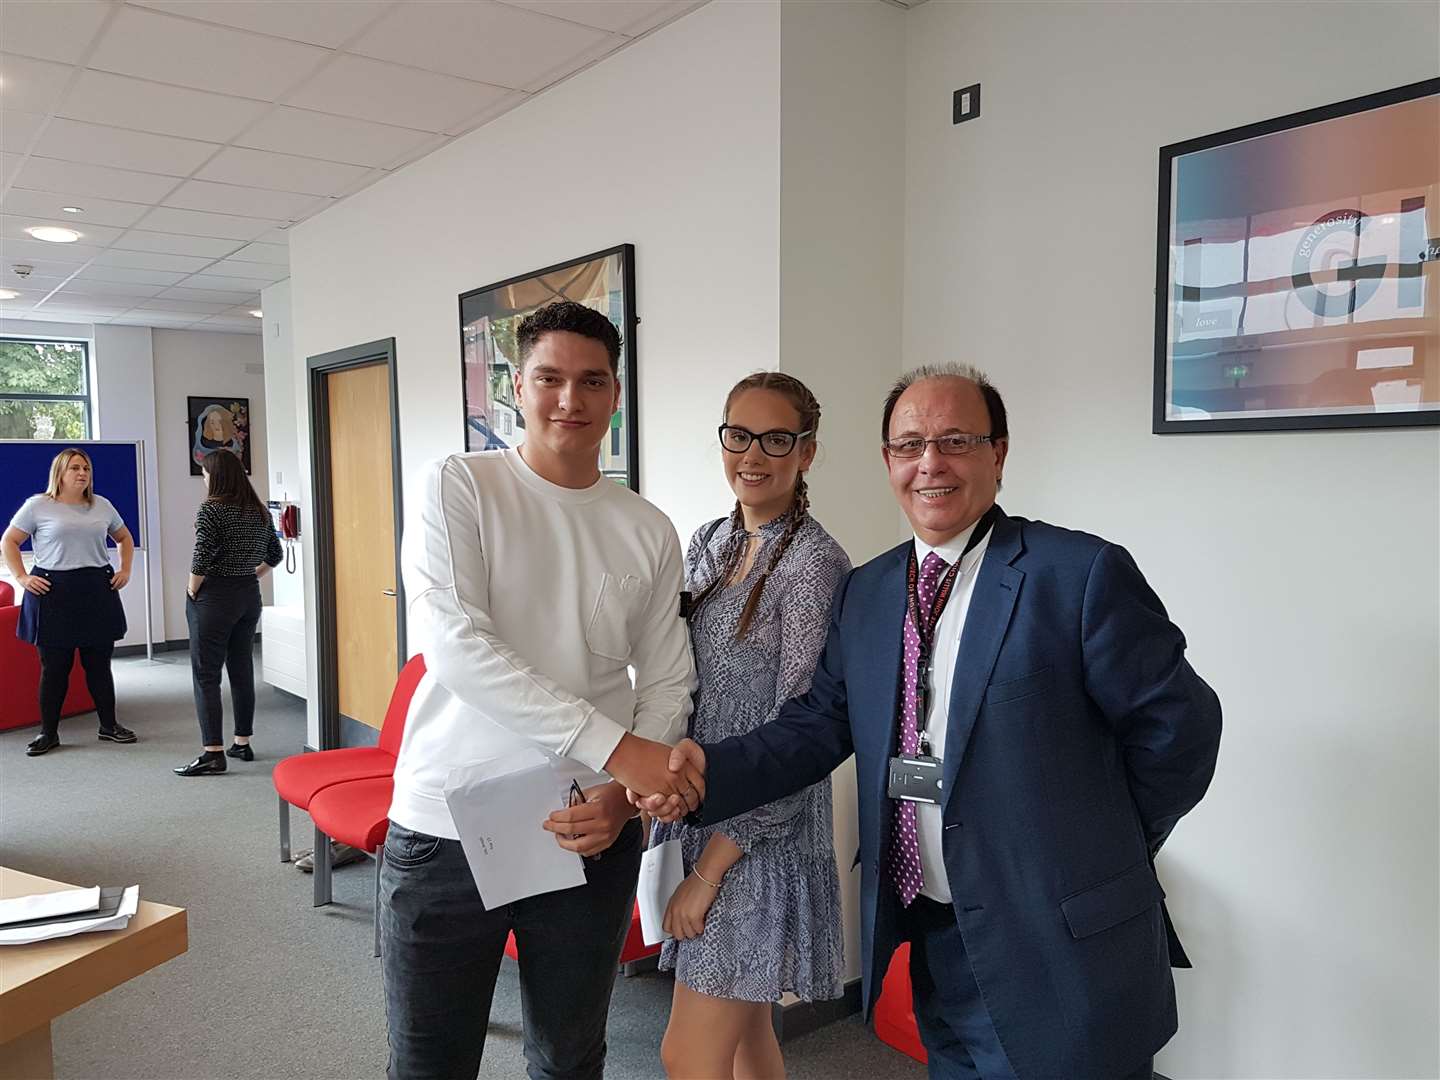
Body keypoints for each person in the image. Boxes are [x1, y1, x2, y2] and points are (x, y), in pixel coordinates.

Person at [643, 364, 1223, 1080]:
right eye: (909, 444)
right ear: (887, 460)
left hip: (1058, 944)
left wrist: (1105, 845)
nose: (930, 463)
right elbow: (818, 724)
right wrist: (709, 774)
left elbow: (1182, 732)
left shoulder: (1076, 575)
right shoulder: (872, 590)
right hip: (936, 932)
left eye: (955, 440)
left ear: (998, 453)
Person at [381, 300, 702, 1080]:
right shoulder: (459, 485)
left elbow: (667, 677)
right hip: (446, 828)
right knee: (431, 1062)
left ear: (615, 395)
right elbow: (458, 649)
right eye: (549, 379)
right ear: (516, 387)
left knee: (569, 1058)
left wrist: (622, 795)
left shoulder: (646, 526)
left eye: (592, 381)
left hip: (585, 827)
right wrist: (621, 752)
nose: (571, 400)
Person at [650, 373, 849, 1080]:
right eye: (739, 435)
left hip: (758, 841)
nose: (753, 454)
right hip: (700, 808)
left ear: (807, 452)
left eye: (775, 439)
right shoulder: (713, 541)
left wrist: (706, 874)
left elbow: (803, 740)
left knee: (688, 1055)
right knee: (746, 1042)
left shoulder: (815, 567)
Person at [2, 447, 136, 756]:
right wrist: (22, 578)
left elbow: (124, 538)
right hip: (53, 592)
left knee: (99, 665)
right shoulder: (37, 506)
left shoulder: (102, 505)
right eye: (75, 468)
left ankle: (109, 726)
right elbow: (8, 541)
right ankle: (48, 733)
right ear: (59, 474)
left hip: (96, 589)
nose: (82, 473)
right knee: (55, 669)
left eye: (86, 468)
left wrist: (126, 569)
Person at [173, 450, 282, 777]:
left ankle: (212, 752)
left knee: (206, 674)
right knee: (241, 668)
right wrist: (250, 575)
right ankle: (242, 742)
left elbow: (202, 557)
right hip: (248, 595)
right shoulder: (259, 511)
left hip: (215, 597)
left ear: (216, 475)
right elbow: (274, 555)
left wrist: (192, 589)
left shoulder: (212, 508)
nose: (204, 478)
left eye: (205, 472)